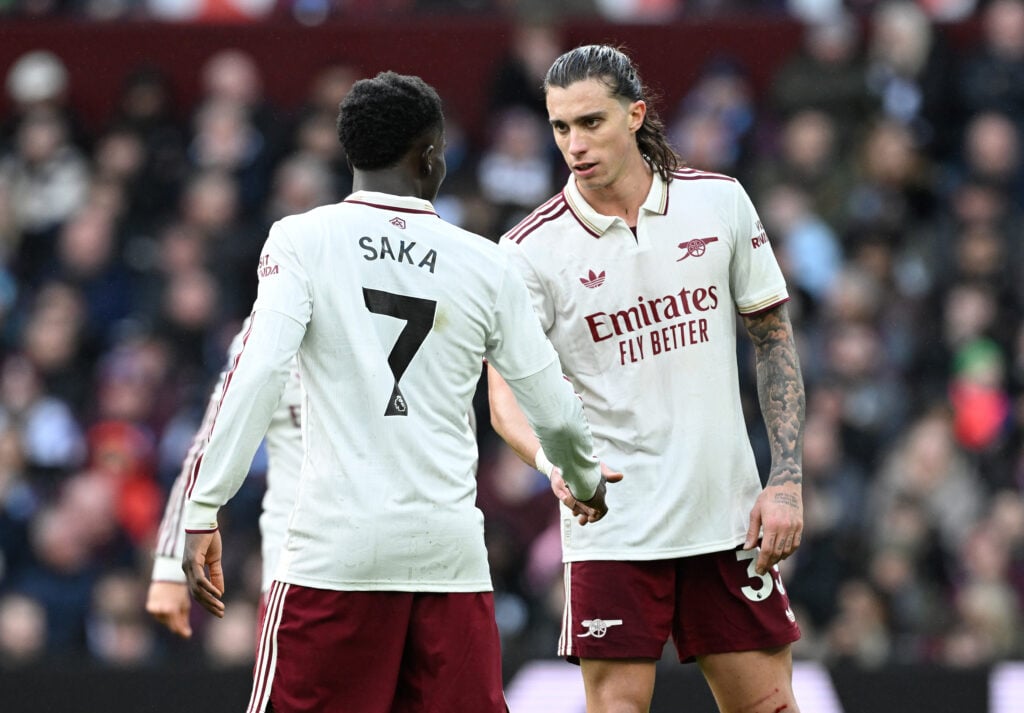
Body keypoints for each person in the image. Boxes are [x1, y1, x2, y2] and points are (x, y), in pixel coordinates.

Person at [181, 71, 617, 713]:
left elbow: (258, 373)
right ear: (430, 155)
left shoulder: (301, 240)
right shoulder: (485, 262)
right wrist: (582, 478)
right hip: (450, 559)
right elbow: (548, 397)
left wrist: (204, 505)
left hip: (336, 556)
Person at [487, 45, 806, 713]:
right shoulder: (526, 251)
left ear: (635, 115)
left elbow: (773, 340)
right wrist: (553, 462)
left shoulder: (719, 203)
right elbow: (503, 393)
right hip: (614, 526)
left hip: (728, 519)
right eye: (560, 127)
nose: (574, 144)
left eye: (591, 122)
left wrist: (787, 480)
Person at [146, 319, 302, 639]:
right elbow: (210, 447)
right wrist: (169, 565)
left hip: (391, 562)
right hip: (298, 567)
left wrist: (169, 567)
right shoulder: (267, 331)